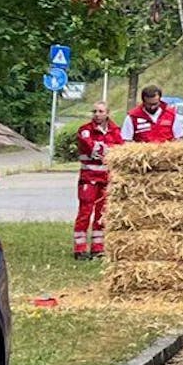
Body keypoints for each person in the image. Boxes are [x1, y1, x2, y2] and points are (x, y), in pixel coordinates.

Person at [74, 101, 122, 259]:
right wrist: (108, 149)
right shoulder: (85, 130)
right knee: (85, 212)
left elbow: (120, 150)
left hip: (106, 179)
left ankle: (98, 247)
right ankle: (80, 248)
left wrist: (106, 149)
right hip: (89, 179)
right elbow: (92, 149)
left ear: (107, 113)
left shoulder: (115, 130)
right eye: (94, 111)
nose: (97, 114)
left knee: (102, 214)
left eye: (100, 111)